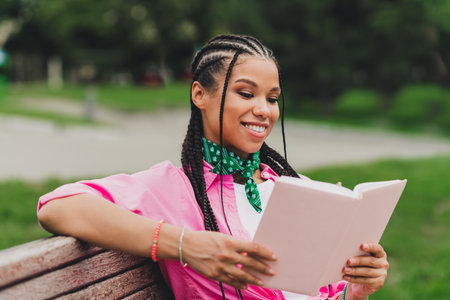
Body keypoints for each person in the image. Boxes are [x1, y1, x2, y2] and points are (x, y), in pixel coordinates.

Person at [37, 34, 389, 300]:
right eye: (246, 94)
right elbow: (58, 207)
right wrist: (185, 245)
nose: (265, 110)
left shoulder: (296, 188)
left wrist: (354, 290)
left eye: (272, 98)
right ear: (199, 95)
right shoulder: (173, 190)